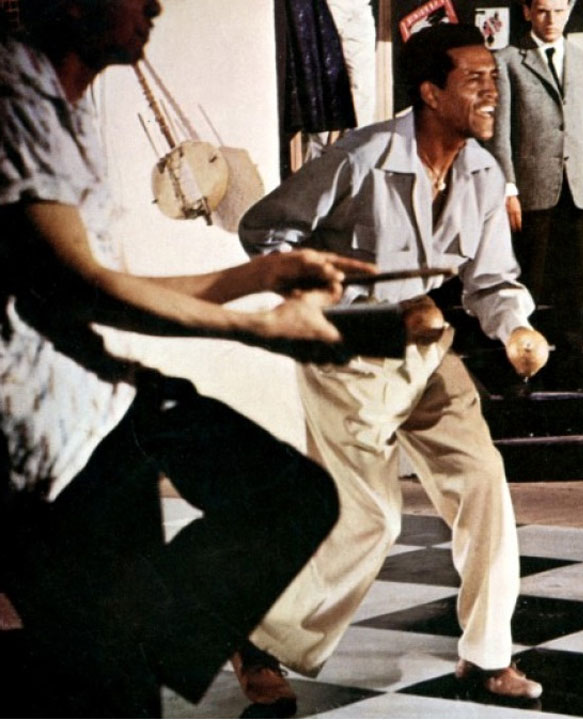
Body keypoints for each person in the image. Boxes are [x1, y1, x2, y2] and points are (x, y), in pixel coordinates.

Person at [0, 0, 378, 715]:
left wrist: (258, 276)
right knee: (112, 690)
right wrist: (259, 329)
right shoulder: (14, 92)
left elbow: (97, 281)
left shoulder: (65, 105)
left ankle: (111, 656)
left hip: (95, 403)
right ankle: (100, 660)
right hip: (38, 440)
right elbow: (84, 287)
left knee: (291, 496)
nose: (156, 5)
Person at [237, 22, 550, 708]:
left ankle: (488, 655)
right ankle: (262, 641)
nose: (492, 90)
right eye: (475, 79)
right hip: (347, 356)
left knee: (483, 481)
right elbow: (264, 230)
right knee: (372, 516)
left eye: (493, 77)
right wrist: (346, 303)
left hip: (426, 350)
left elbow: (492, 282)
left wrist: (517, 328)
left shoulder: (482, 172)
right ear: (431, 93)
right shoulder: (360, 157)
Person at [487, 0, 583, 393]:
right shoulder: (508, 61)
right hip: (530, 192)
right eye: (543, 10)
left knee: (575, 287)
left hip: (577, 189)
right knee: (527, 286)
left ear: (570, 10)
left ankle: (573, 370)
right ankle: (520, 372)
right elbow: (500, 136)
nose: (551, 19)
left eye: (559, 10)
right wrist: (508, 188)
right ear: (527, 11)